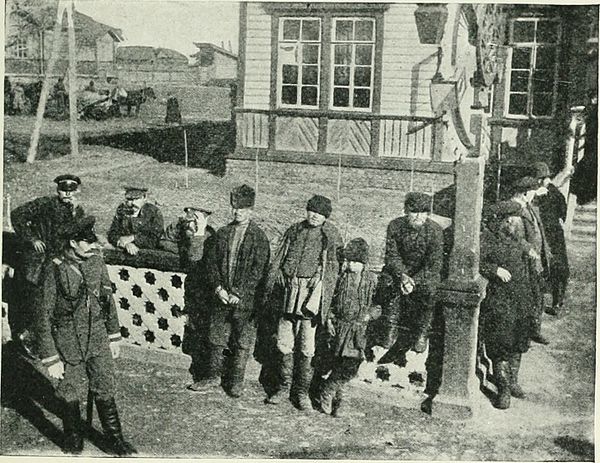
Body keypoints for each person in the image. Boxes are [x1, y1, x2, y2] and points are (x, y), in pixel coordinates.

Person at [33, 216, 136, 455]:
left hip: (98, 338)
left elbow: (107, 300)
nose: (93, 246)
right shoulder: (54, 267)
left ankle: (115, 440)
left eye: (93, 241)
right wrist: (50, 357)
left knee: (105, 385)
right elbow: (43, 315)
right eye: (86, 242)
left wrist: (113, 336)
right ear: (72, 242)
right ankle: (73, 439)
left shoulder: (96, 262)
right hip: (68, 340)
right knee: (70, 390)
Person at [262, 195, 343, 410]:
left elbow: (334, 269)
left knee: (307, 347)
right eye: (311, 211)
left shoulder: (330, 235)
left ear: (326, 216)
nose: (314, 216)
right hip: (288, 294)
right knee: (284, 342)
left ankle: (301, 392)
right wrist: (278, 274)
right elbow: (279, 257)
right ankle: (283, 387)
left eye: (320, 213)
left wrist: (320, 282)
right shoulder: (294, 230)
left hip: (311, 298)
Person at [189, 185, 270, 397]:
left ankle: (236, 382)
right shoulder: (223, 233)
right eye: (234, 208)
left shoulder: (259, 237)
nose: (237, 212)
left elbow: (258, 271)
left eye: (242, 209)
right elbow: (211, 264)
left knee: (242, 342)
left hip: (245, 301)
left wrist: (240, 293)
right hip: (221, 297)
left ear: (251, 210)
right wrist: (218, 288)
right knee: (217, 338)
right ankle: (213, 376)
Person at [10, 175, 85, 340]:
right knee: (36, 298)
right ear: (57, 190)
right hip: (39, 259)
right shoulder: (45, 204)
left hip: (60, 259)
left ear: (77, 191)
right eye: (63, 190)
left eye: (71, 191)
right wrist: (31, 239)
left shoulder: (77, 210)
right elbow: (17, 215)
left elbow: (78, 232)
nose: (67, 194)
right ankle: (27, 336)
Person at [377, 192, 443, 365]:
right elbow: (391, 256)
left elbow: (433, 263)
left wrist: (414, 281)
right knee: (387, 283)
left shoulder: (435, 230)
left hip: (423, 274)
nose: (418, 216)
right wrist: (402, 277)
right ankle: (390, 327)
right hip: (401, 272)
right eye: (414, 212)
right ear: (406, 211)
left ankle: (422, 332)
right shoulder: (395, 226)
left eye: (423, 212)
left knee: (430, 289)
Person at [480, 201, 535, 409]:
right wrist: (494, 270)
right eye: (513, 219)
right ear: (505, 220)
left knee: (519, 339)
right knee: (501, 342)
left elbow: (524, 246)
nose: (516, 222)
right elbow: (477, 262)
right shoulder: (488, 238)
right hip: (500, 300)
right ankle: (503, 389)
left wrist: (530, 252)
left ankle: (513, 382)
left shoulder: (516, 238)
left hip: (521, 298)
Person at [319, 238, 381, 417]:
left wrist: (370, 314)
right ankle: (338, 403)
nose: (351, 265)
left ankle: (328, 389)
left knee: (351, 365)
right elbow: (330, 301)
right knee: (340, 363)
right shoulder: (342, 278)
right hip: (340, 327)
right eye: (349, 261)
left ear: (364, 263)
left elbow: (378, 304)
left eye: (356, 262)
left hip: (359, 330)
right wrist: (330, 319)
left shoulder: (371, 280)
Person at [509, 176, 551, 345]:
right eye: (532, 192)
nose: (534, 195)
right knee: (529, 298)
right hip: (526, 262)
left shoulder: (528, 207)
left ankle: (534, 330)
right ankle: (528, 331)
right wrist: (529, 249)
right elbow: (514, 237)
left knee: (538, 297)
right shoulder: (514, 210)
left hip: (537, 261)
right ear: (525, 193)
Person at [531, 162, 570, 316]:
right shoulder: (557, 194)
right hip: (555, 233)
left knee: (555, 267)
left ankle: (556, 304)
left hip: (549, 235)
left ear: (540, 179)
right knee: (557, 266)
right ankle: (557, 302)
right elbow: (563, 215)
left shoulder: (544, 194)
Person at [107, 186, 164, 255]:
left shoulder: (153, 212)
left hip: (148, 253)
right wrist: (124, 243)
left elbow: (155, 239)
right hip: (124, 251)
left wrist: (134, 238)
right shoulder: (122, 210)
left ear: (144, 198)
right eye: (129, 199)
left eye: (137, 199)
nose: (133, 203)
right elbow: (112, 234)